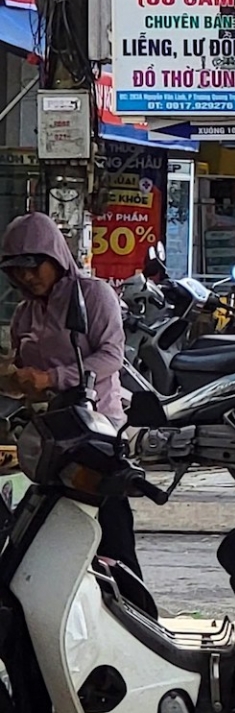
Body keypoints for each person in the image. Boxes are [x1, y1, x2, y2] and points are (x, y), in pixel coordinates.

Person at [0, 213, 137, 574]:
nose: (27, 277)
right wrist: (16, 380)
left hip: (97, 432)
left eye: (34, 266)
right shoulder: (23, 314)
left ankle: (134, 604)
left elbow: (111, 356)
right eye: (17, 270)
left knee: (112, 528)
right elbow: (18, 370)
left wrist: (52, 377)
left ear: (55, 257)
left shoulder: (94, 295)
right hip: (49, 441)